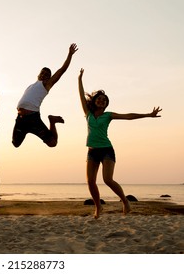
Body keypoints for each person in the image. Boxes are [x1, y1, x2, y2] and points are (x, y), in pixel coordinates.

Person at [78, 68, 162, 219]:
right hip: (92, 151)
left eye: (104, 100)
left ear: (106, 104)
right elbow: (81, 97)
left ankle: (125, 201)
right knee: (90, 182)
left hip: (106, 150)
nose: (101, 100)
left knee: (107, 180)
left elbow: (128, 116)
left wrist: (148, 115)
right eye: (99, 98)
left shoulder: (108, 115)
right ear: (95, 100)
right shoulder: (88, 114)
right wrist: (80, 79)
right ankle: (98, 207)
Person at [12, 43, 78, 148]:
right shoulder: (31, 85)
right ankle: (26, 130)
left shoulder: (46, 84)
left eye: (47, 75)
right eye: (42, 73)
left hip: (33, 118)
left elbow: (62, 70)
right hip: (21, 119)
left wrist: (70, 54)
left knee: (52, 143)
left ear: (49, 78)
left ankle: (52, 121)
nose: (44, 75)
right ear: (38, 74)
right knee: (15, 144)